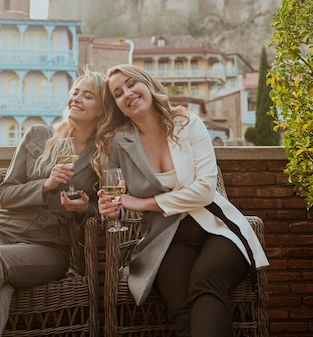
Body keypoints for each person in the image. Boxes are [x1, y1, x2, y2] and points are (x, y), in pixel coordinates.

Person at [96, 64, 269, 337]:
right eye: (118, 93)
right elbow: (118, 203)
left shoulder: (188, 124)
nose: (127, 93)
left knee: (206, 281)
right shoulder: (118, 143)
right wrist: (110, 210)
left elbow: (204, 191)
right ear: (117, 105)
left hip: (216, 225)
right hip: (166, 238)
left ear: (147, 84)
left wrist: (140, 203)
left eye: (131, 84)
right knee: (181, 307)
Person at [0, 70, 107, 337]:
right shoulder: (38, 135)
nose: (77, 98)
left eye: (88, 96)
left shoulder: (102, 156)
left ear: (101, 110)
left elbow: (104, 211)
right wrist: (45, 184)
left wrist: (83, 209)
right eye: (75, 91)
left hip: (49, 247)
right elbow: (5, 194)